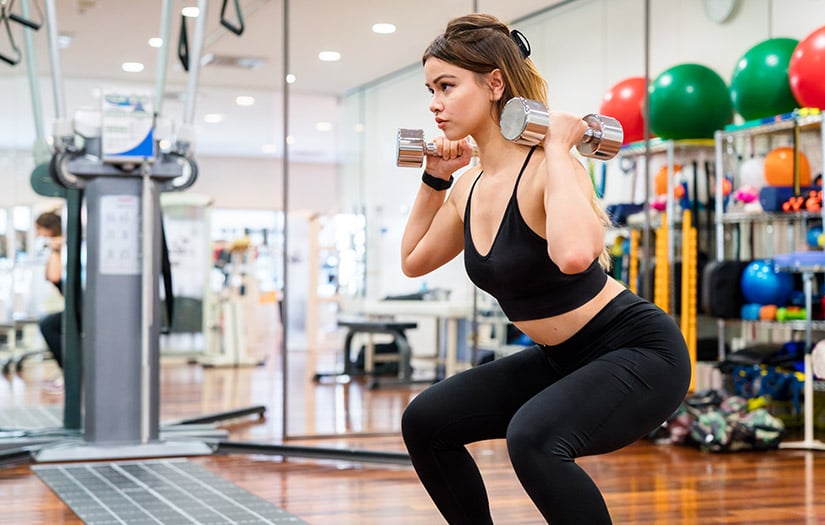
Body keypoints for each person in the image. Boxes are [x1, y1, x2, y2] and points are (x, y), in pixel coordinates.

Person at [399, 14, 691, 525]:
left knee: (534, 438)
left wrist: (557, 146)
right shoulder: (468, 187)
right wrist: (435, 179)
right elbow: (413, 260)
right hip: (561, 357)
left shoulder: (552, 168)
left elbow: (575, 255)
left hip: (639, 352)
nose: (434, 103)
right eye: (431, 88)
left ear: (494, 84)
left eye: (446, 86)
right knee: (426, 421)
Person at [35, 211, 64, 380]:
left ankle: (70, 371)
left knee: (48, 325)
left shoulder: (60, 247)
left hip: (83, 307)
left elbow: (54, 276)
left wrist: (55, 250)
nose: (38, 234)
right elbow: (49, 276)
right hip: (77, 306)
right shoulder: (58, 246)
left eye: (39, 229)